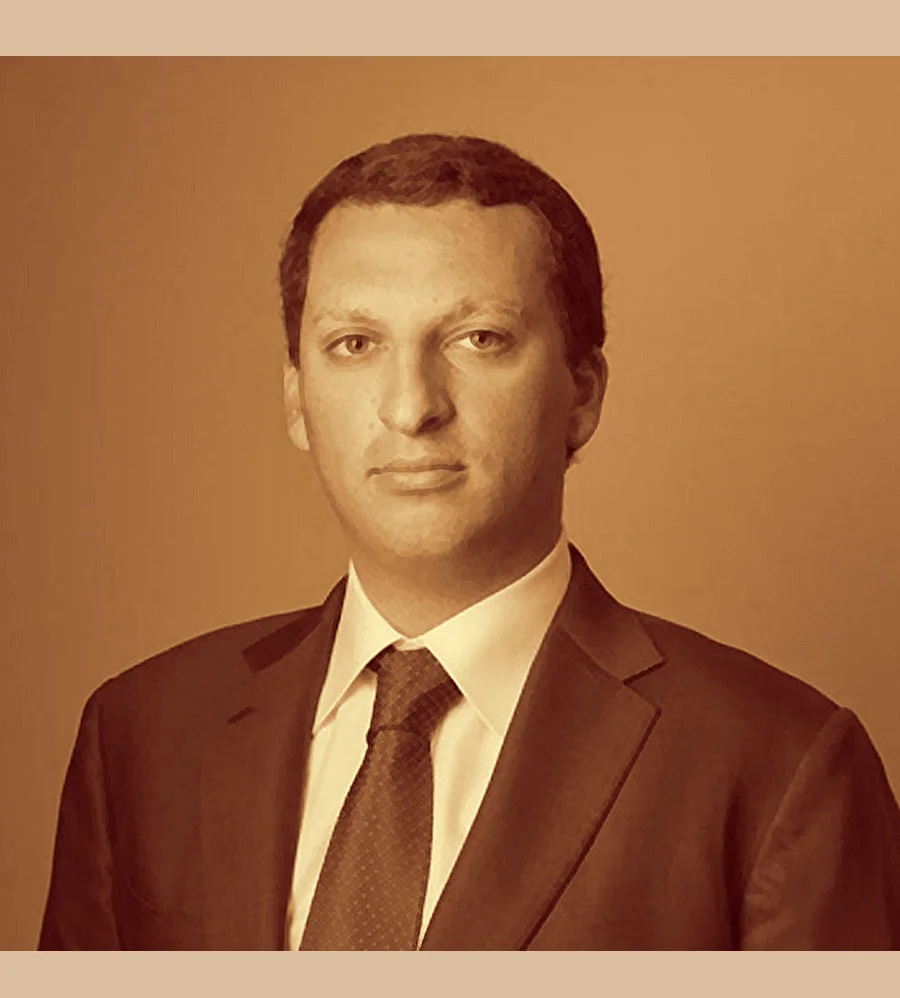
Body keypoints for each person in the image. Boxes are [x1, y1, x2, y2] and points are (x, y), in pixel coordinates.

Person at [39, 133, 900, 951]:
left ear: (583, 393)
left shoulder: (780, 767)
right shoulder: (141, 736)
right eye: (355, 344)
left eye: (478, 339)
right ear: (297, 397)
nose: (412, 406)